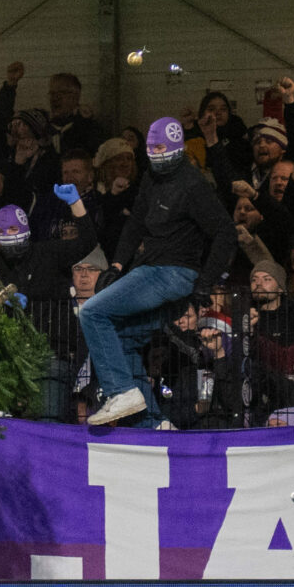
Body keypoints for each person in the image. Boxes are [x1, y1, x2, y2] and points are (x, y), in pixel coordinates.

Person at [81, 117, 236, 429]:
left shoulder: (193, 185)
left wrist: (205, 281)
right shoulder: (152, 176)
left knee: (92, 314)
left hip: (170, 275)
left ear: (177, 147)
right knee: (123, 338)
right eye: (151, 148)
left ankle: (120, 391)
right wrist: (116, 265)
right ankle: (154, 422)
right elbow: (136, 222)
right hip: (158, 275)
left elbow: (225, 233)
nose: (155, 153)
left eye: (161, 147)